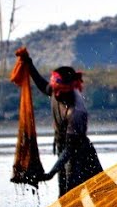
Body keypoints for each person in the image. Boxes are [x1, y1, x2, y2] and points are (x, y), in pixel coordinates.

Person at [15, 50, 103, 196]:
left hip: (81, 153)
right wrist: (29, 65)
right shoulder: (57, 89)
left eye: (59, 92)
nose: (55, 95)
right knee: (64, 194)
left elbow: (71, 149)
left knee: (83, 193)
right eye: (54, 91)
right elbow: (44, 86)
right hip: (63, 147)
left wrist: (50, 174)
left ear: (70, 90)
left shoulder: (76, 112)